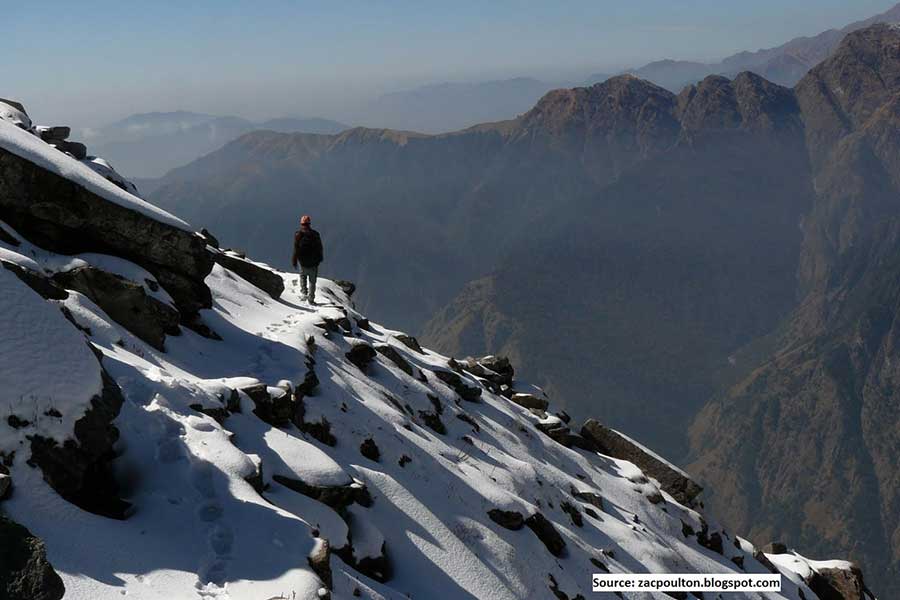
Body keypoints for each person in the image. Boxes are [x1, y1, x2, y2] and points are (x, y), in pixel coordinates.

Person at [291, 214, 324, 304]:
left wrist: (294, 260)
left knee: (303, 277)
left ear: (301, 224)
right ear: (309, 223)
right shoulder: (315, 234)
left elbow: (296, 249)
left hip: (302, 262)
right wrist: (319, 259)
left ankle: (304, 293)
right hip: (314, 263)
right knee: (312, 282)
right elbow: (320, 248)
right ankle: (311, 299)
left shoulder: (298, 235)